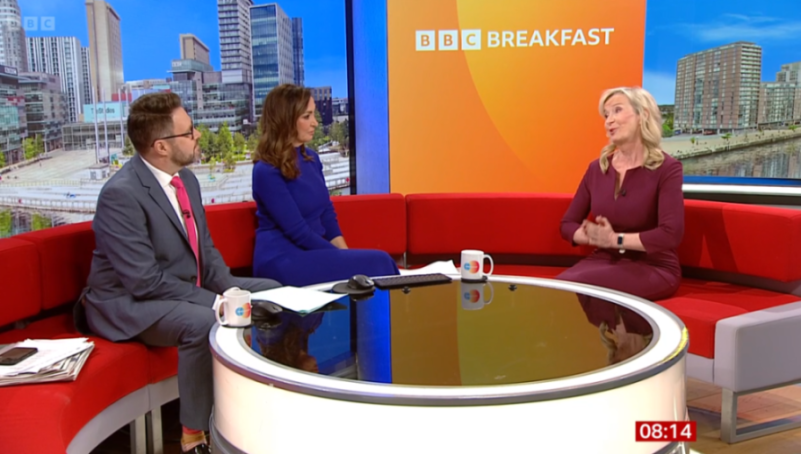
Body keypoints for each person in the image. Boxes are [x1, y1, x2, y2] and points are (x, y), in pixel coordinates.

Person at [81, 93, 281, 454]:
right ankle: (194, 436)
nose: (198, 136)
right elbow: (143, 281)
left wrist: (232, 290)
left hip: (178, 289)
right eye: (189, 132)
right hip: (126, 302)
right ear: (160, 146)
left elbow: (205, 251)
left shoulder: (186, 180)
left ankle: (260, 408)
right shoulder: (121, 195)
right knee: (203, 321)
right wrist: (218, 303)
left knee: (271, 292)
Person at [251, 84, 399, 286]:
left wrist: (347, 255)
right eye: (307, 116)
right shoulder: (266, 171)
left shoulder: (312, 159)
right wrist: (345, 260)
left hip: (313, 253)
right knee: (380, 263)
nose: (315, 123)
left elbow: (327, 215)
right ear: (285, 120)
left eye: (314, 115)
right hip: (281, 259)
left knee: (378, 264)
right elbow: (299, 233)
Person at [555, 86, 684, 301]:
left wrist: (615, 239)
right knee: (553, 293)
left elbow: (670, 234)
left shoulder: (667, 168)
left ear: (642, 114)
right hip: (603, 260)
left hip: (653, 266)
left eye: (617, 111)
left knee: (573, 294)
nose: (609, 121)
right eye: (606, 115)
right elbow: (567, 224)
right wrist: (592, 236)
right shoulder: (597, 169)